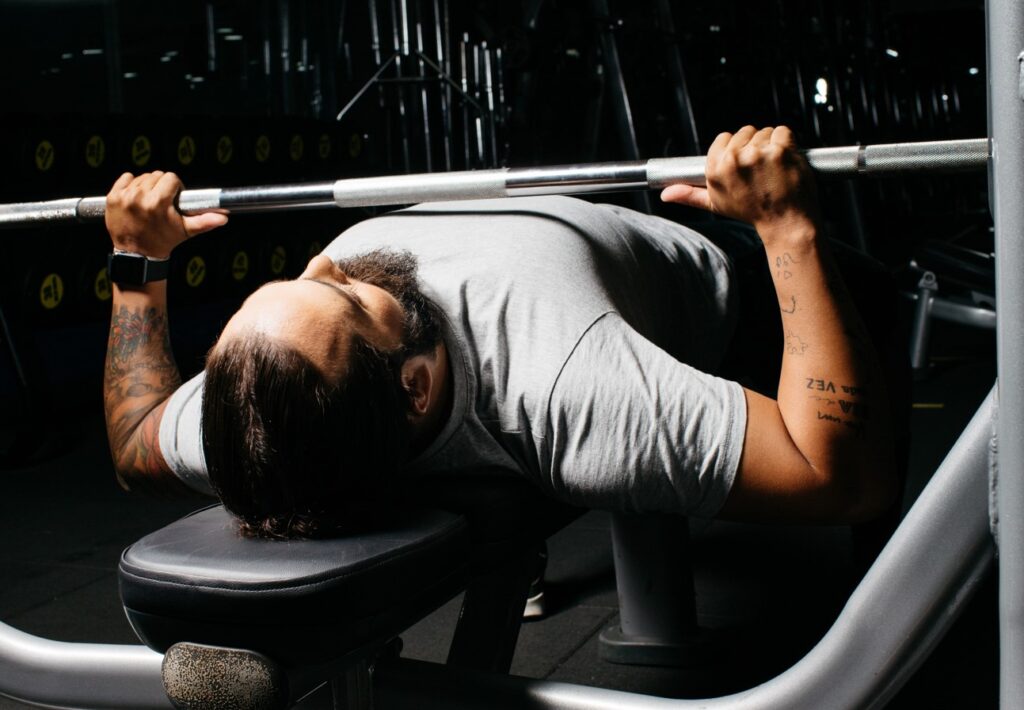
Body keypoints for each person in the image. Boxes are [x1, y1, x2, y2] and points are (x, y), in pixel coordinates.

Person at [103, 125, 897, 538]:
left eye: (280, 287)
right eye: (339, 297)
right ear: (414, 385)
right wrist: (787, 231)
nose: (322, 260)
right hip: (725, 276)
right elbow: (842, 481)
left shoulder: (254, 404)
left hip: (601, 252)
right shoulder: (563, 384)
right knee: (871, 295)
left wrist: (138, 260)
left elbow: (137, 441)